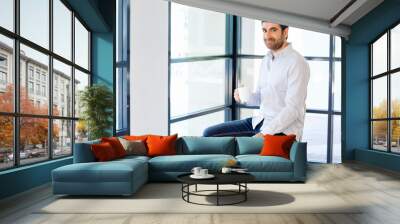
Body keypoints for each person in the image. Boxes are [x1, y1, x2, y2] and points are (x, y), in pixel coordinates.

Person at [203, 22, 310, 141]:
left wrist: (264, 134)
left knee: (242, 145)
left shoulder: (297, 63)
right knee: (209, 134)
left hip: (283, 131)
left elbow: (293, 109)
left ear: (285, 32)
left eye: (273, 30)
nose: (267, 35)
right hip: (260, 122)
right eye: (264, 30)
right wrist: (245, 97)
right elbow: (260, 98)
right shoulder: (266, 60)